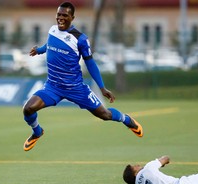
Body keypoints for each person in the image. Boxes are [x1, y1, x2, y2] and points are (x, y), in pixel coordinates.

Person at [22, 2, 143, 152]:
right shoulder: (52, 30)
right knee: (28, 109)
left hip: (76, 88)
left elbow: (91, 63)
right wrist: (39, 50)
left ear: (72, 17)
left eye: (64, 15)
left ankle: (127, 120)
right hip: (53, 87)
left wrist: (102, 87)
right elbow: (50, 44)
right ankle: (37, 132)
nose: (60, 18)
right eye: (58, 14)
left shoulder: (80, 39)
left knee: (104, 115)